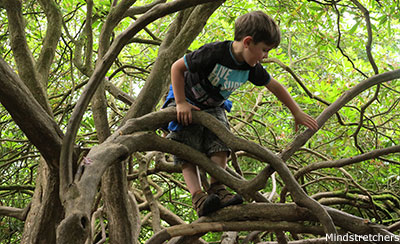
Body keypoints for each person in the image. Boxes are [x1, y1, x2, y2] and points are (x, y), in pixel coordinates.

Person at [163, 11, 319, 217]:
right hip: (186, 99)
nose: (266, 56)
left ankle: (217, 188)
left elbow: (275, 86)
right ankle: (198, 197)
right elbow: (177, 67)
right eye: (264, 50)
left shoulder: (252, 67)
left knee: (221, 143)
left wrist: (296, 111)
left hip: (213, 106)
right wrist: (181, 103)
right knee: (186, 148)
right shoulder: (214, 53)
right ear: (247, 42)